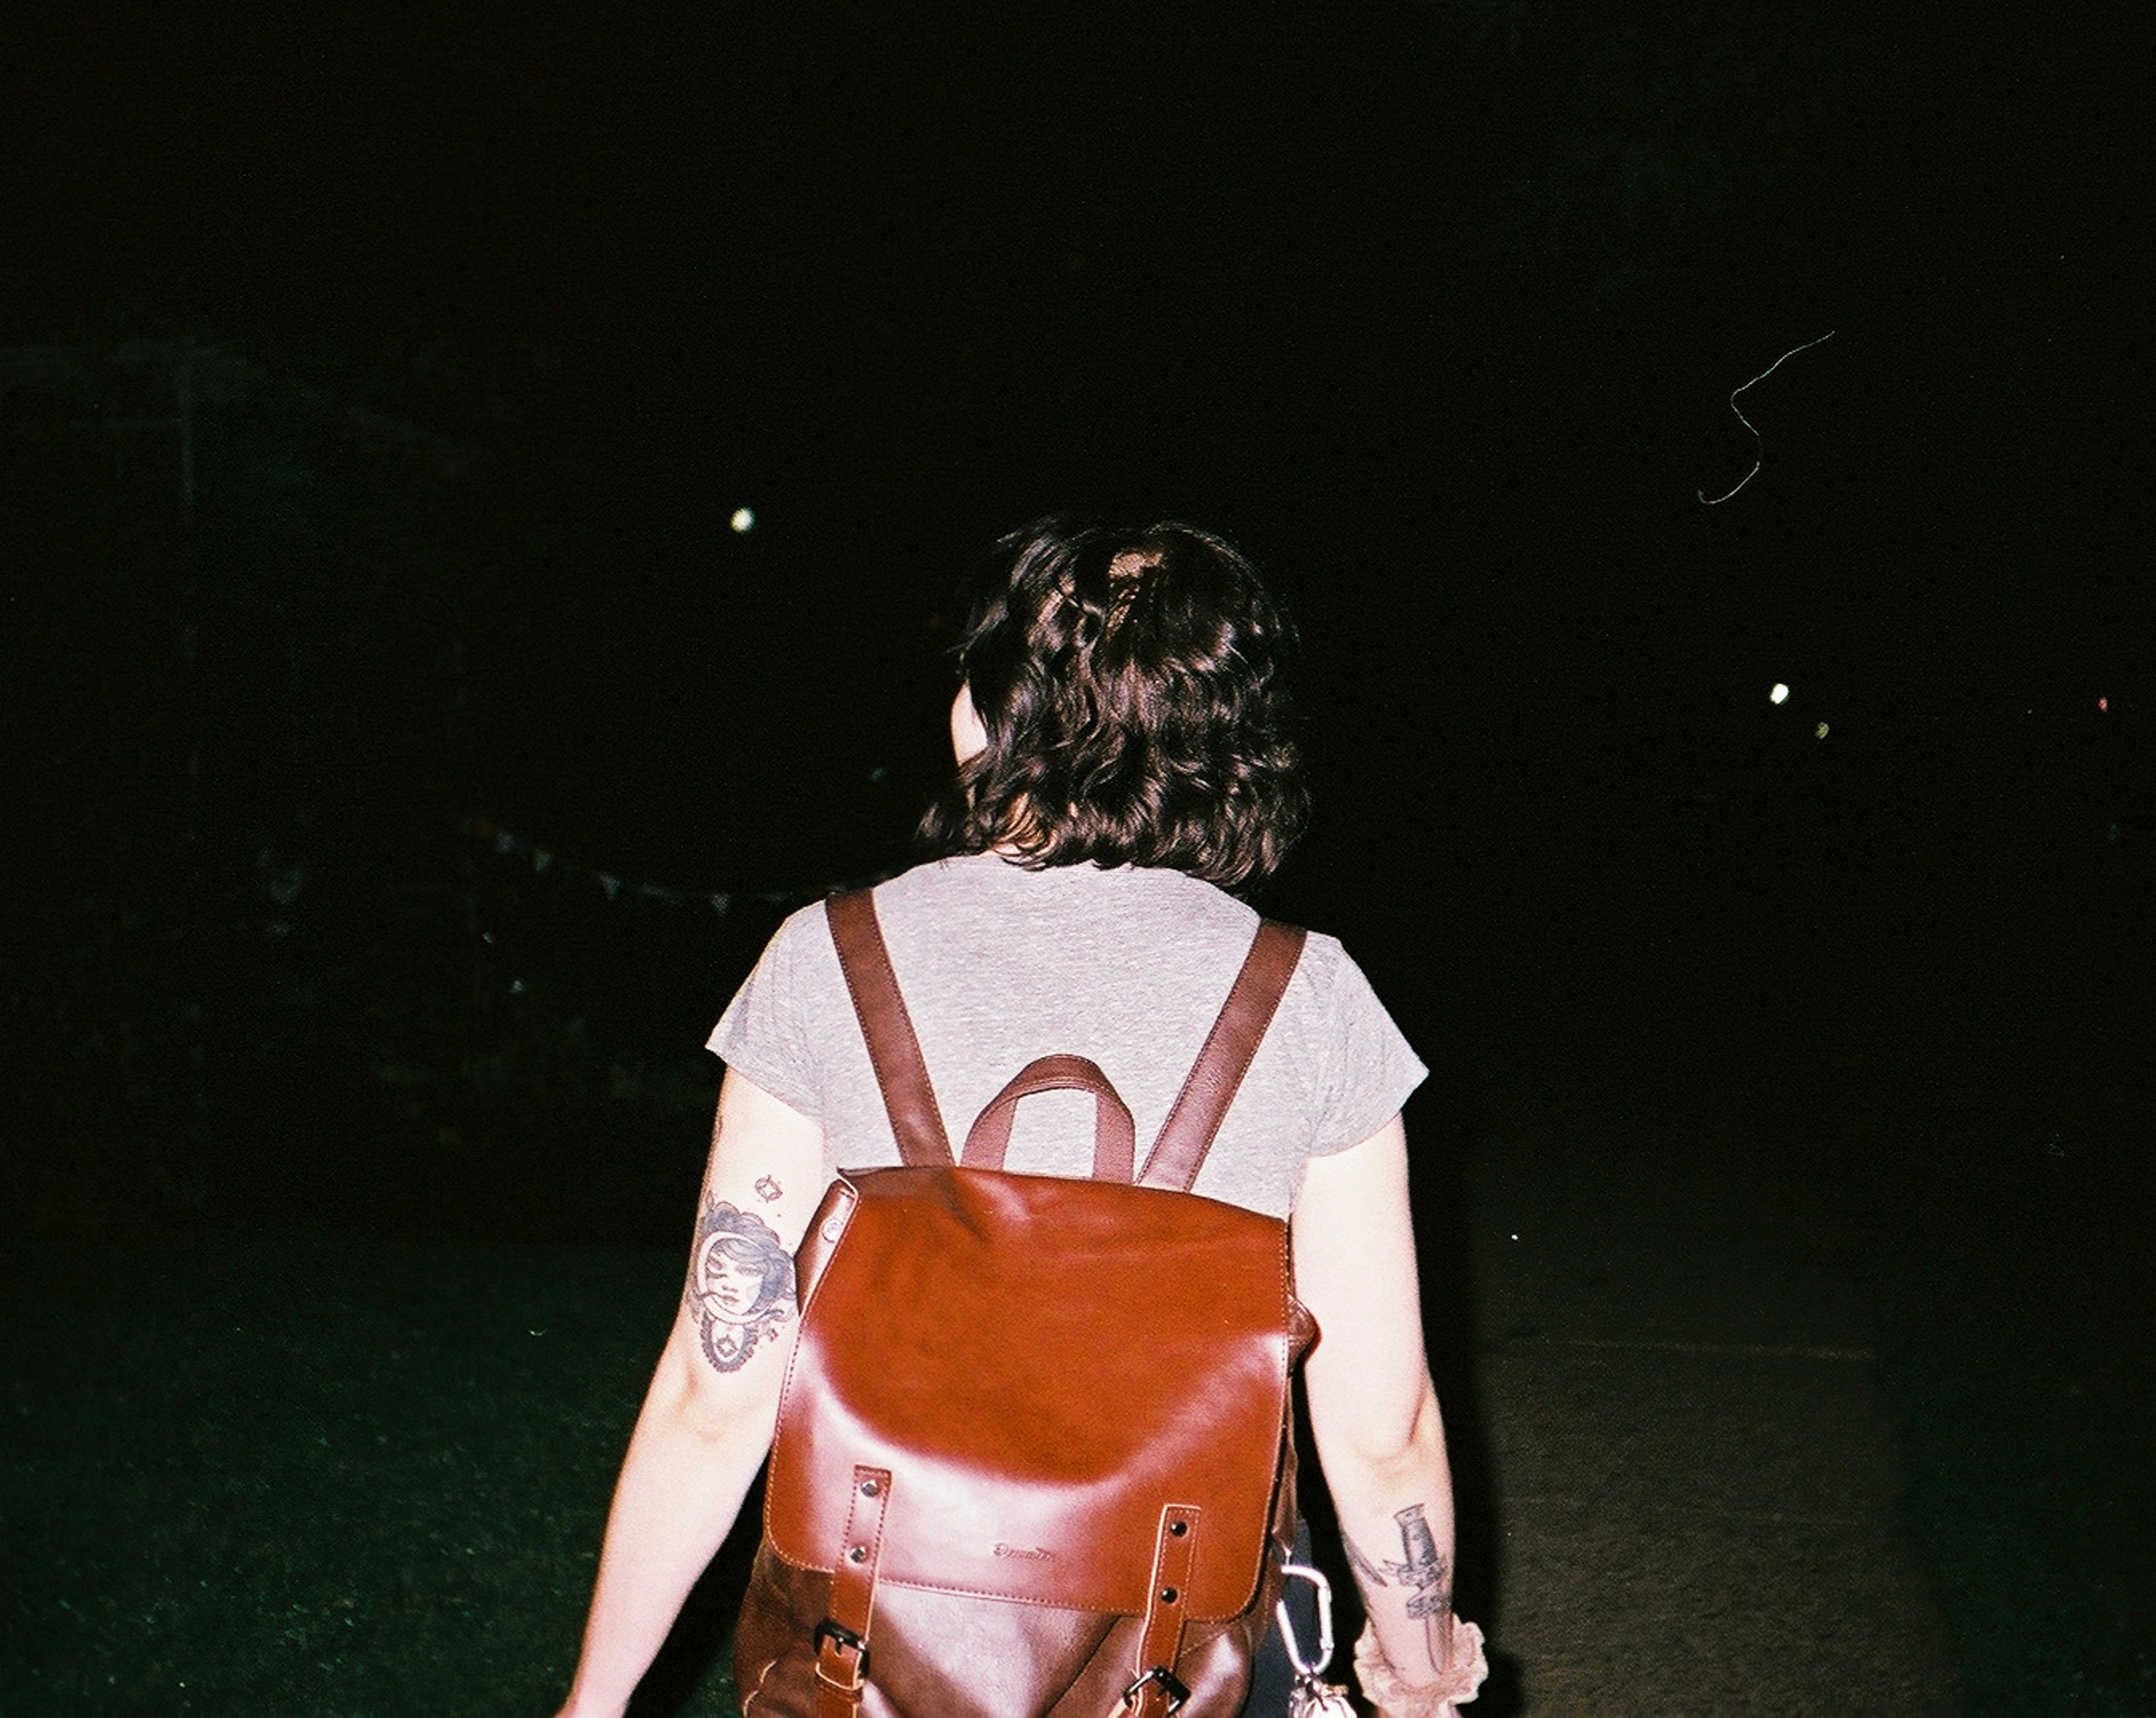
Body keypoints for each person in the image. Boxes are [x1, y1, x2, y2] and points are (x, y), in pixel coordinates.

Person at [553, 517, 1485, 1718]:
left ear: (996, 714)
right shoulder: (1308, 997)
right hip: (1181, 1664)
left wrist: (594, 1703)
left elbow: (716, 1384)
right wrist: (1418, 1675)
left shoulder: (826, 960)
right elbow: (1383, 1425)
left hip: (864, 1659)